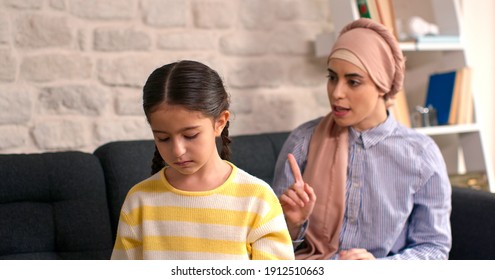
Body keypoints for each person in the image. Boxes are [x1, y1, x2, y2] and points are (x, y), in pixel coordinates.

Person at [272, 18, 452, 260]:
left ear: (383, 85)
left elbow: (435, 248)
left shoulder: (421, 155)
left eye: (353, 82)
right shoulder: (303, 141)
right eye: (332, 77)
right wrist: (293, 225)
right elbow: (270, 247)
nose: (336, 93)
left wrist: (378, 268)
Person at [111, 60, 294, 260]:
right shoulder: (139, 202)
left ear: (220, 123)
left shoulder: (257, 199)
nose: (177, 150)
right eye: (163, 138)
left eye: (190, 135)